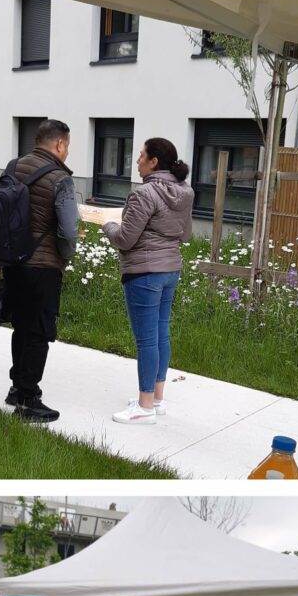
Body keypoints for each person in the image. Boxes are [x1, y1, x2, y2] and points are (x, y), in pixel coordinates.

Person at [0, 119, 79, 423]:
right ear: (60, 144)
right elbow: (67, 231)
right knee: (38, 332)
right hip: (43, 267)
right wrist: (67, 254)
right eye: (68, 146)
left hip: (14, 263)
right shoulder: (60, 179)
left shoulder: (13, 167)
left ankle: (16, 388)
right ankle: (28, 399)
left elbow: (2, 218)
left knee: (22, 326)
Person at [102, 138, 194, 425]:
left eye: (141, 156)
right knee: (160, 333)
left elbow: (125, 239)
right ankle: (156, 399)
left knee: (146, 341)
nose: (137, 161)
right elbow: (186, 234)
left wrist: (107, 224)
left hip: (143, 272)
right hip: (170, 269)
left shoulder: (143, 194)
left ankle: (144, 407)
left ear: (154, 161)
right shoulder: (185, 192)